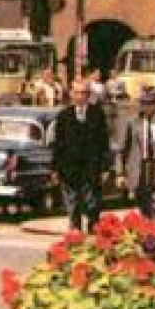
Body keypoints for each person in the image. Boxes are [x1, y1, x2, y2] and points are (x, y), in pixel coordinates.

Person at [54, 78, 111, 233]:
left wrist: (106, 167)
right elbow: (58, 144)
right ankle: (75, 231)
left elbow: (104, 142)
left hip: (91, 169)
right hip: (70, 169)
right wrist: (55, 169)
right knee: (73, 206)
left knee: (92, 205)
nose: (80, 96)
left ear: (88, 95)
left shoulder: (97, 114)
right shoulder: (63, 116)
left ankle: (93, 231)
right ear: (71, 94)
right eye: (77, 93)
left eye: (84, 93)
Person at [118, 86, 155, 221]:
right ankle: (148, 234)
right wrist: (120, 173)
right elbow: (122, 149)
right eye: (144, 103)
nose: (147, 107)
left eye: (150, 103)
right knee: (144, 205)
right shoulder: (132, 123)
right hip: (140, 168)